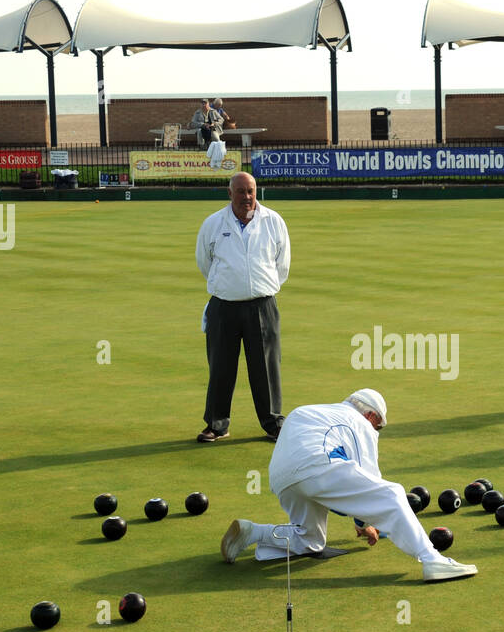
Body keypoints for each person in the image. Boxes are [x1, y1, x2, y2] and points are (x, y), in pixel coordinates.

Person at [219, 389, 479, 582]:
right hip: (317, 468)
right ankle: (432, 560)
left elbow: (352, 488)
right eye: (378, 425)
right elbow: (369, 480)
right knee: (393, 493)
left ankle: (253, 533)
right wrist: (366, 525)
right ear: (369, 415)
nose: (376, 431)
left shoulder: (308, 410)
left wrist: (362, 520)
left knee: (309, 540)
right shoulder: (360, 424)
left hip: (281, 478)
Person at [195, 171, 288, 442]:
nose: (246, 197)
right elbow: (205, 262)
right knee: (221, 366)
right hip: (224, 306)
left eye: (251, 191)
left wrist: (260, 287)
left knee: (266, 367)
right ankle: (216, 424)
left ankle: (272, 423)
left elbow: (282, 264)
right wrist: (230, 285)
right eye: (240, 191)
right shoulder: (213, 223)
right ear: (230, 193)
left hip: (263, 305)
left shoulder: (274, 221)